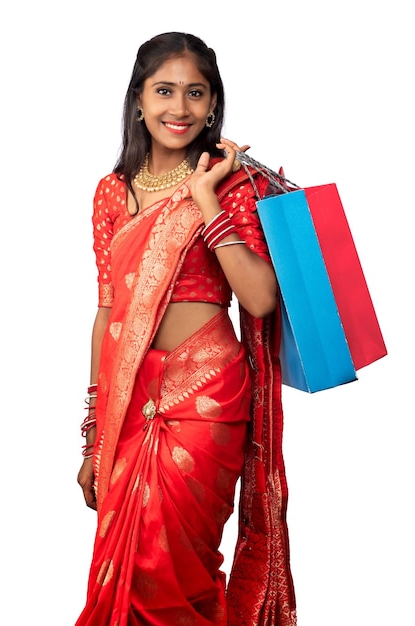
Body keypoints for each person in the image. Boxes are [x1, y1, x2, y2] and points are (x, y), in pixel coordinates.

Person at [76, 31, 296, 626]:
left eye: (195, 93)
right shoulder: (109, 193)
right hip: (129, 395)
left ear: (213, 103)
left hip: (206, 397)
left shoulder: (232, 183)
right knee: (127, 567)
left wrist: (206, 197)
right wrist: (94, 433)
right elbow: (107, 312)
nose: (180, 108)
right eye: (165, 91)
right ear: (139, 100)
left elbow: (259, 298)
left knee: (176, 566)